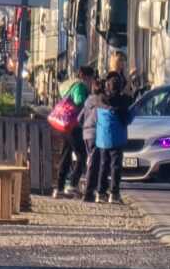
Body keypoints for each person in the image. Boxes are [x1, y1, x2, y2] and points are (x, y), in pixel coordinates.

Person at [85, 72, 133, 204]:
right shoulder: (122, 102)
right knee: (115, 166)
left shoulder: (100, 100)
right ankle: (114, 193)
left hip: (102, 139)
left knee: (103, 165)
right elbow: (127, 119)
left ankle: (100, 193)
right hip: (117, 138)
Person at [55, 66, 96, 197]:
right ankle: (72, 185)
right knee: (82, 155)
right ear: (86, 77)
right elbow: (79, 102)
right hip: (74, 126)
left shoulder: (69, 85)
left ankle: (59, 188)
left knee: (65, 156)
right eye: (91, 78)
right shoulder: (80, 86)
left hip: (65, 125)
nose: (91, 81)